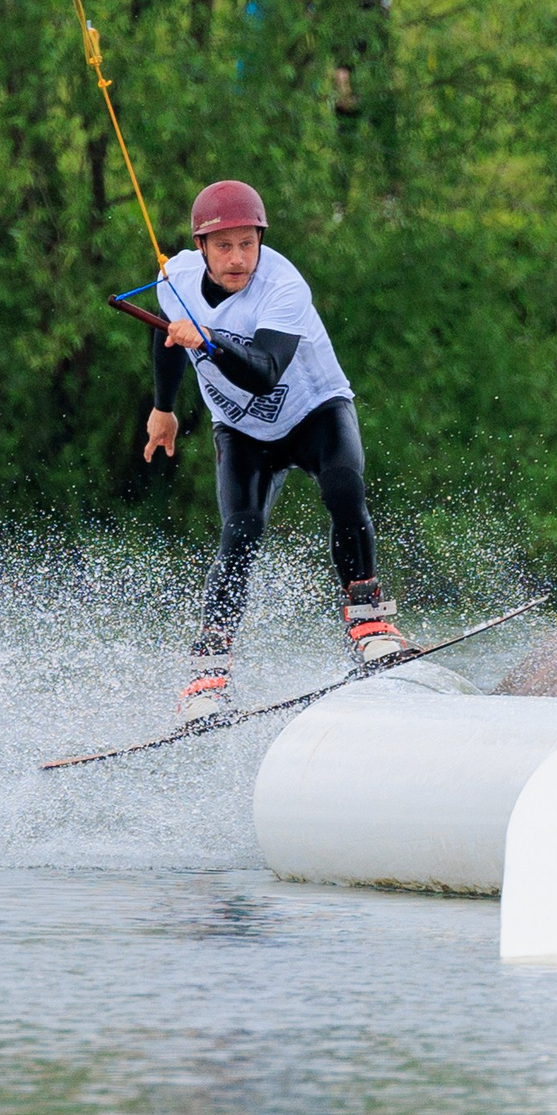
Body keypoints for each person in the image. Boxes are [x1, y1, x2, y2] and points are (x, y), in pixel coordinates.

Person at [142, 179, 411, 722]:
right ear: (201, 247)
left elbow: (265, 373)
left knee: (344, 488)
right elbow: (167, 336)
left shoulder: (284, 286)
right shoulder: (176, 278)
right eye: (224, 246)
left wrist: (210, 342)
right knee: (239, 530)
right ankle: (209, 668)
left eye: (248, 243)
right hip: (240, 431)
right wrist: (164, 408)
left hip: (315, 412)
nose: (239, 258)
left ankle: (367, 617)